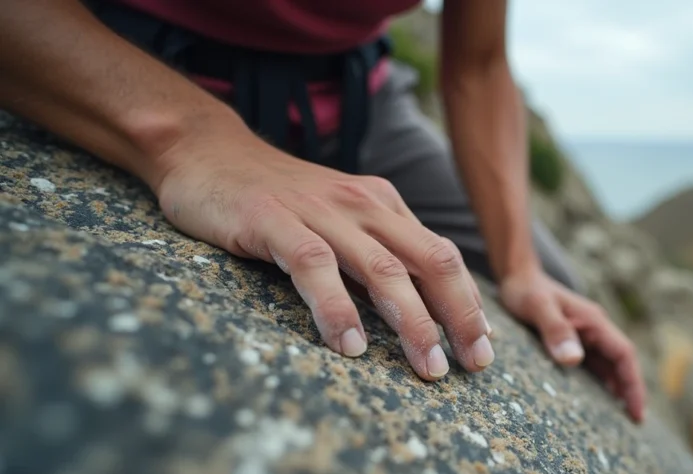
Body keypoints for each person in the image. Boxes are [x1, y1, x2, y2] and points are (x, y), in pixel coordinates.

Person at [0, 0, 645, 422]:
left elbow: (478, 63)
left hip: (357, 97)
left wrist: (522, 266)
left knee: (562, 294)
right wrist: (188, 138)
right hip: (124, 54)